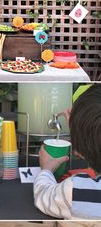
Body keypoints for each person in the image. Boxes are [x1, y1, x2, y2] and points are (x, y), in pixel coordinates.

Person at [33, 84, 101, 218]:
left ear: (79, 149)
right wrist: (82, 133)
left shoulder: (76, 190)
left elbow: (43, 195)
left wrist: (46, 170)